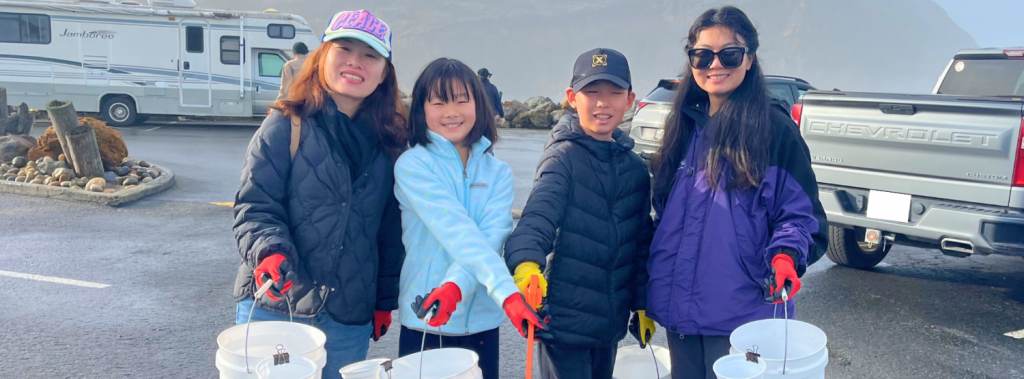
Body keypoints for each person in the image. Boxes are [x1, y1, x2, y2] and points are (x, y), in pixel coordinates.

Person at [645, 6, 828, 379]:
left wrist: (785, 258)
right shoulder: (683, 128)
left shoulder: (773, 130)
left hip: (744, 317)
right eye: (702, 54)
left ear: (750, 59)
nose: (715, 64)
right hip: (678, 314)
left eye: (729, 53)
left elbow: (799, 216)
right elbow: (664, 216)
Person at [232, 10, 408, 376]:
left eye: (370, 56)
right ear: (323, 56)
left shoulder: (392, 144)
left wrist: (382, 302)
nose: (355, 62)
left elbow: (389, 234)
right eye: (344, 48)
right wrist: (270, 253)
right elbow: (255, 206)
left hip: (349, 316)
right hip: (277, 305)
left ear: (383, 73)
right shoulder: (284, 124)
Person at [503, 48, 654, 379]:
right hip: (564, 326)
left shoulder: (635, 170)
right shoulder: (563, 158)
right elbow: (538, 215)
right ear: (572, 98)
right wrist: (527, 265)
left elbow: (641, 244)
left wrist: (643, 304)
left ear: (629, 100)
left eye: (614, 93)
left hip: (609, 326)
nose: (603, 103)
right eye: (592, 92)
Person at [393, 57, 545, 379]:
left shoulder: (498, 172)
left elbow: (491, 236)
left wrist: (455, 286)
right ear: (421, 109)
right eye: (439, 102)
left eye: (463, 100)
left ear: (479, 105)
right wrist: (507, 294)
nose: (452, 112)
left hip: (481, 322)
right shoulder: (413, 165)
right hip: (426, 316)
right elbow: (457, 232)